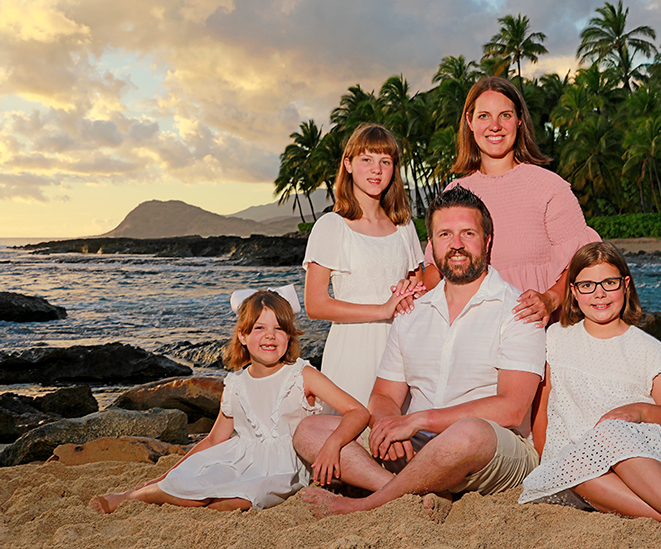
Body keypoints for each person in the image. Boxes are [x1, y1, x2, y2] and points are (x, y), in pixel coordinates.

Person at [294, 186, 546, 517]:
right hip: (419, 446)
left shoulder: (518, 309)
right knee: (310, 431)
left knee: (467, 431)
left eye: (467, 233)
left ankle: (371, 501)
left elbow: (512, 409)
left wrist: (416, 420)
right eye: (444, 234)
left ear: (487, 241)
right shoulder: (413, 310)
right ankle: (416, 489)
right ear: (432, 247)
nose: (456, 244)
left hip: (492, 449)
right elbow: (384, 393)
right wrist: (389, 422)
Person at [518, 242, 661, 532]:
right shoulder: (555, 339)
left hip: (647, 458)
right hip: (585, 470)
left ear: (625, 285)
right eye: (588, 285)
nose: (599, 293)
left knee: (610, 431)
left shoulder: (647, 350)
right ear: (574, 291)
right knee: (572, 462)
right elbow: (543, 410)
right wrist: (546, 457)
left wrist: (641, 411)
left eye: (609, 282)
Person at [90, 286, 369, 514]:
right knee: (188, 487)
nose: (270, 335)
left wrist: (332, 444)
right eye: (259, 328)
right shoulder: (236, 383)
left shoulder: (302, 374)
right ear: (243, 336)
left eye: (279, 328)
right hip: (238, 458)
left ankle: (165, 495)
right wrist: (171, 472)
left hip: (284, 467)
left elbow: (357, 411)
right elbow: (214, 440)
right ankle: (131, 496)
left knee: (244, 499)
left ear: (289, 335)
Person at [422, 76, 600, 327]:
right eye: (484, 116)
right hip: (471, 329)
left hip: (536, 329)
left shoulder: (549, 187)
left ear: (519, 120)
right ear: (469, 122)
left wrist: (549, 300)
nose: (494, 126)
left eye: (504, 115)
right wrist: (415, 292)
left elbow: (583, 260)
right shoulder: (455, 192)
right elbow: (436, 266)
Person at [303, 123, 425, 406]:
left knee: (400, 434)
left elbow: (420, 286)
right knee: (353, 435)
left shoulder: (403, 225)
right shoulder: (331, 226)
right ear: (348, 164)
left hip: (401, 344)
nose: (376, 169)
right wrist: (382, 309)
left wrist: (412, 289)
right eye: (366, 159)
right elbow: (315, 304)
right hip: (352, 347)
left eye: (385, 161)